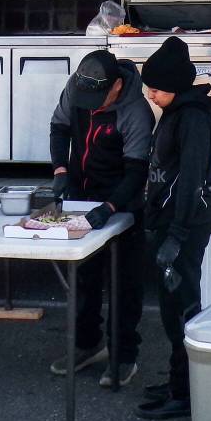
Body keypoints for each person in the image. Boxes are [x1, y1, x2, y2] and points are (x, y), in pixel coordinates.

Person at [48, 50, 155, 388]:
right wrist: (61, 170)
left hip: (122, 202)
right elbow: (59, 127)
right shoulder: (76, 87)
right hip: (82, 194)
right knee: (83, 275)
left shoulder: (135, 112)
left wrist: (109, 208)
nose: (90, 104)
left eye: (98, 98)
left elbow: (136, 172)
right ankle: (86, 344)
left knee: (124, 282)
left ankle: (123, 355)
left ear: (117, 85)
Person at [136, 36, 211, 420]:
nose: (150, 94)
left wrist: (177, 235)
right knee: (170, 309)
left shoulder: (193, 118)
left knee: (183, 308)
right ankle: (176, 382)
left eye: (155, 88)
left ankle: (185, 394)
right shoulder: (176, 111)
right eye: (148, 87)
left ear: (175, 85)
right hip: (170, 224)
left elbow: (190, 182)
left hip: (183, 227)